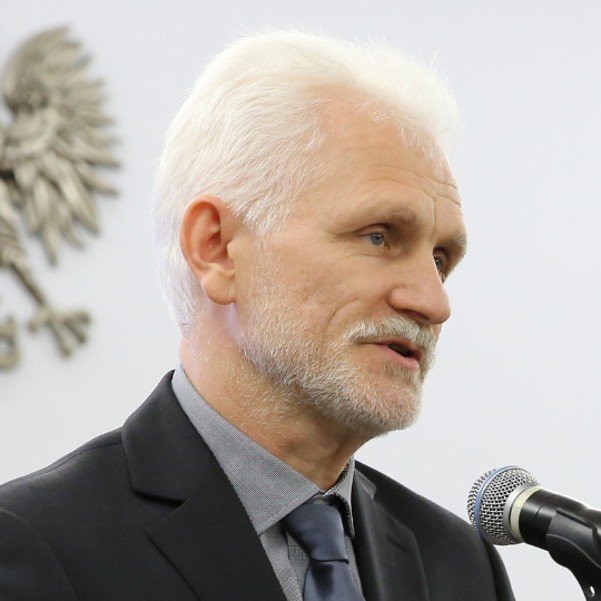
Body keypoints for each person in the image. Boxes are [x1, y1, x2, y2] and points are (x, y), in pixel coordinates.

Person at [0, 30, 514, 600]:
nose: (434, 302)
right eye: (378, 235)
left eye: (440, 260)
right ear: (218, 249)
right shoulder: (34, 547)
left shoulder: (461, 566)